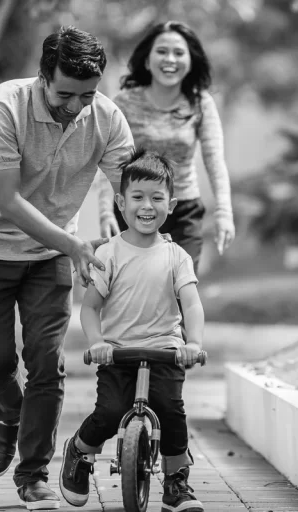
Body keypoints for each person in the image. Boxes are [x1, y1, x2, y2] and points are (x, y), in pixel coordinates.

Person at [0, 26, 134, 510]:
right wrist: (74, 242)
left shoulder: (107, 118)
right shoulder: (2, 108)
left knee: (47, 364)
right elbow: (7, 201)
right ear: (42, 77)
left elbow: (129, 191)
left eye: (87, 96)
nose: (75, 107)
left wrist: (137, 235)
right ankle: (9, 414)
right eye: (65, 95)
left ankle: (32, 476)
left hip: (49, 256)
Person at [60, 150, 205, 512]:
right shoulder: (109, 253)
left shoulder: (176, 256)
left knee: (171, 412)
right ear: (121, 203)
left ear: (171, 205)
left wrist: (194, 342)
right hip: (118, 352)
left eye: (157, 198)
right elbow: (91, 307)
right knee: (109, 412)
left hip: (165, 350)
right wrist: (97, 342)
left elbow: (192, 304)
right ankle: (80, 451)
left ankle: (176, 483)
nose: (147, 206)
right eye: (138, 197)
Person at [98, 20, 235, 272]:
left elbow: (215, 161)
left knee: (181, 290)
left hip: (183, 210)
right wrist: (106, 211)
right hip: (134, 209)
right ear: (148, 60)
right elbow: (112, 163)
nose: (170, 59)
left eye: (178, 52)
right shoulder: (125, 103)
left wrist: (224, 212)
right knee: (134, 294)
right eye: (162, 51)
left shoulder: (201, 103)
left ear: (190, 61)